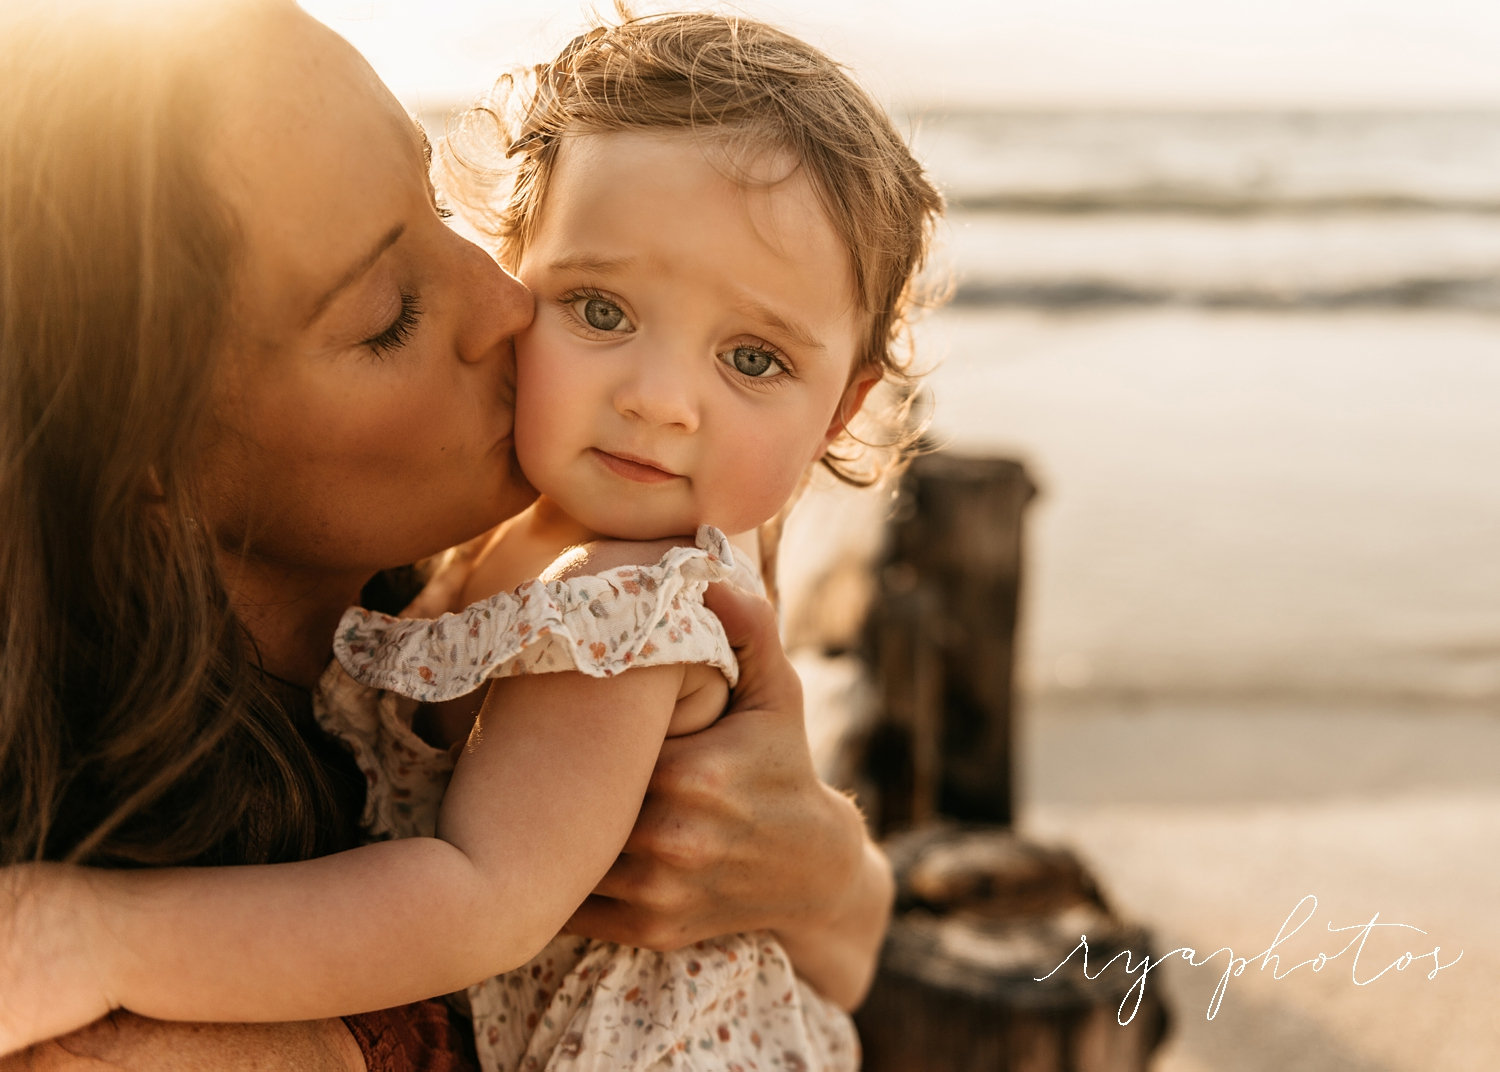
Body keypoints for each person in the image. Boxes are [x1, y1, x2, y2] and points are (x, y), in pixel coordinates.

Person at [0, 3, 902, 1070]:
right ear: (137, 449)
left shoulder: (620, 597)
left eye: (435, 206)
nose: (503, 302)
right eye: (387, 311)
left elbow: (506, 900)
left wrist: (830, 867)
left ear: (843, 412)